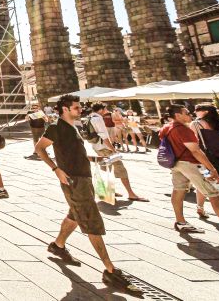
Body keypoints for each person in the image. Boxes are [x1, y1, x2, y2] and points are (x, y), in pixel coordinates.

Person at [34, 94, 142, 295]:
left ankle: (58, 245)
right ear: (65, 109)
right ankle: (110, 270)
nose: (80, 110)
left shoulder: (72, 126)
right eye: (76, 108)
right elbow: (39, 149)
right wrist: (56, 169)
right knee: (91, 220)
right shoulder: (56, 127)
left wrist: (93, 160)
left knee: (75, 215)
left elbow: (72, 153)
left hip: (83, 178)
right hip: (73, 181)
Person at [158, 104, 219, 243]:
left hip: (176, 163)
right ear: (178, 115)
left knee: (178, 190)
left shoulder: (166, 127)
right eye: (186, 113)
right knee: (214, 194)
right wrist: (211, 169)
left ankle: (180, 222)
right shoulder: (184, 130)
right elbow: (196, 151)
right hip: (190, 164)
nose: (190, 114)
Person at [88, 103, 147, 202]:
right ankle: (131, 193)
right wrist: (113, 149)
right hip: (106, 148)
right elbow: (104, 136)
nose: (107, 111)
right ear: (102, 109)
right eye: (105, 109)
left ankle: (109, 192)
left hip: (97, 147)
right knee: (121, 169)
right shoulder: (98, 119)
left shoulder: (90, 117)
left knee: (105, 170)